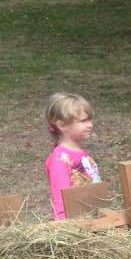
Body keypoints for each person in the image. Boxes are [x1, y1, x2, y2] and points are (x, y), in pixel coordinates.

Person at [44, 92, 101, 221]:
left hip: (92, 218)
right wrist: (64, 224)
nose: (90, 125)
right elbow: (60, 195)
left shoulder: (81, 153)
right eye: (83, 121)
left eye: (90, 120)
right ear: (62, 125)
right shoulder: (60, 159)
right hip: (77, 222)